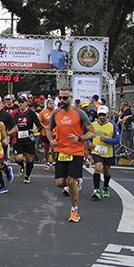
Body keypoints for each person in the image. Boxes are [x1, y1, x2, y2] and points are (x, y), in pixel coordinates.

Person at [46, 87, 96, 222]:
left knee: (71, 181)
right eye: (60, 98)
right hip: (61, 151)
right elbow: (49, 130)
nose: (61, 100)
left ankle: (74, 211)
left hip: (76, 151)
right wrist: (52, 141)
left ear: (71, 98)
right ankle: (77, 181)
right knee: (59, 183)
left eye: (64, 98)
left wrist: (79, 138)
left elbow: (92, 132)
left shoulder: (80, 114)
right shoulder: (56, 114)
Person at [87, 106, 120, 199]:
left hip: (108, 152)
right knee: (97, 168)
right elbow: (88, 136)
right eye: (99, 115)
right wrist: (89, 143)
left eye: (103, 115)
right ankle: (96, 189)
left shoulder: (112, 125)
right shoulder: (93, 124)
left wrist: (106, 140)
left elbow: (117, 140)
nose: (101, 117)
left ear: (108, 114)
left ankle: (105, 187)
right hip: (96, 151)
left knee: (107, 170)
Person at [0, 94, 17, 193]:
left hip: (2, 144)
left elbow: (15, 128)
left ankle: (3, 182)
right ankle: (4, 175)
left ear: (0, 103)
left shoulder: (6, 115)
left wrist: (6, 135)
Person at [12, 95, 42, 183]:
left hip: (29, 137)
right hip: (18, 137)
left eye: (22, 102)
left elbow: (39, 125)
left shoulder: (31, 113)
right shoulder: (14, 113)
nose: (21, 104)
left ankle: (27, 176)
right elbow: (10, 123)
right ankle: (22, 166)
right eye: (19, 102)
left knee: (29, 158)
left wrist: (37, 129)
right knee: (18, 158)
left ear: (26, 103)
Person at [39, 98, 56, 171]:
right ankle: (47, 162)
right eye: (50, 104)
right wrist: (45, 126)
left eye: (52, 104)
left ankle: (54, 162)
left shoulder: (56, 112)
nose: (51, 105)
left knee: (54, 148)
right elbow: (40, 121)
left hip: (54, 132)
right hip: (45, 133)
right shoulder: (43, 112)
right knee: (46, 148)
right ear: (47, 105)